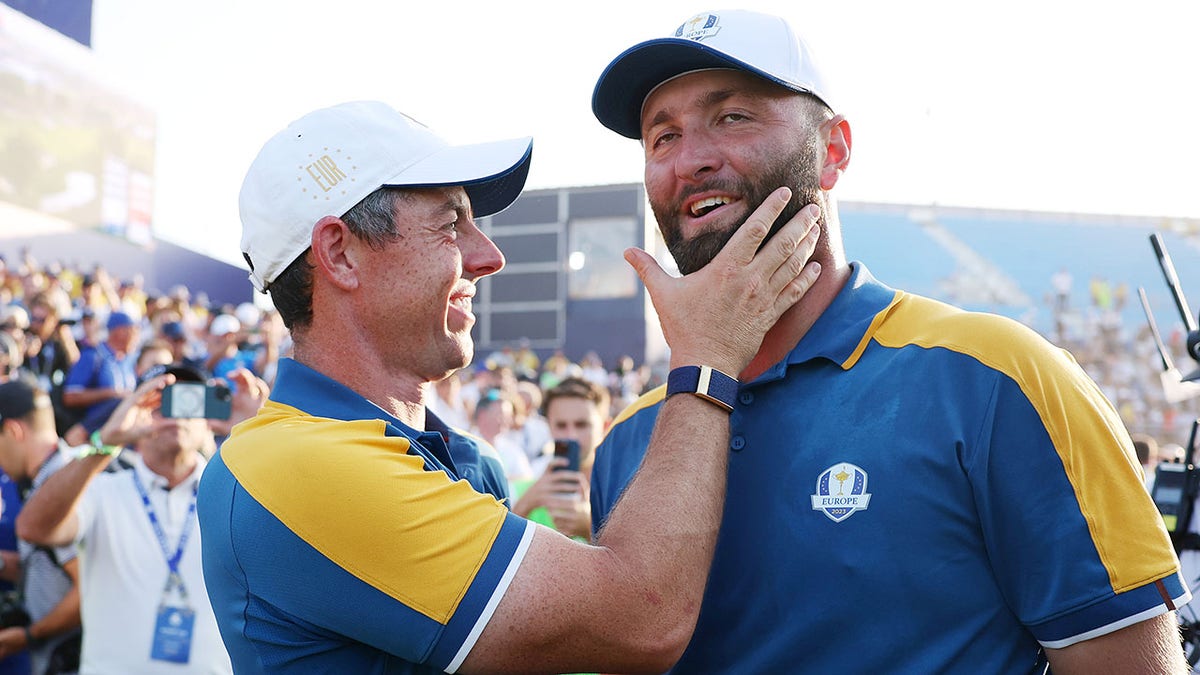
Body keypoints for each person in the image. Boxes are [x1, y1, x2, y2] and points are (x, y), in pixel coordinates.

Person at [588, 9, 1189, 673]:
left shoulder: (997, 378)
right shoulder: (629, 442)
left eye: (733, 117)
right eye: (661, 137)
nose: (692, 159)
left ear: (835, 150)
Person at [195, 99, 821, 673]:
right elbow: (641, 616)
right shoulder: (291, 464)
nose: (487, 255)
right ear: (339, 254)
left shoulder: (455, 455)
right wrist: (707, 358)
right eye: (450, 225)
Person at [16, 364, 268, 674]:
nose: (174, 414)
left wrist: (261, 436)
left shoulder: (238, 495)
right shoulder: (101, 491)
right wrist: (106, 440)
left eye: (188, 400)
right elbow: (32, 528)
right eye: (158, 402)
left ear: (209, 418)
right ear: (134, 411)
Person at [0, 378, 82, 675]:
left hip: (71, 659)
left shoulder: (60, 486)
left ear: (12, 431)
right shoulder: (56, 475)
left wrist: (29, 635)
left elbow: (88, 590)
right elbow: (49, 566)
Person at [512, 377, 611, 540]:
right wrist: (525, 505)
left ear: (605, 426)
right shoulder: (524, 490)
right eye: (561, 425)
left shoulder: (625, 492)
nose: (571, 435)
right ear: (548, 426)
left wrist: (588, 528)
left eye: (582, 425)